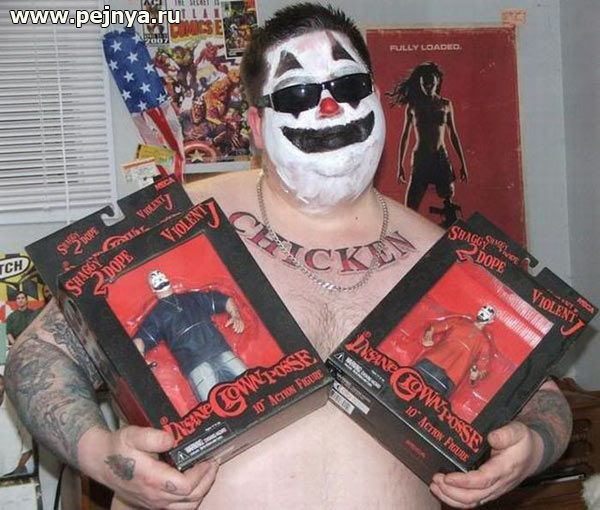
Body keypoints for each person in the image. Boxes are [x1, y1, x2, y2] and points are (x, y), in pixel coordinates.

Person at [5, 4, 572, 510]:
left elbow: (541, 398)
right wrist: (104, 456)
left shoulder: (443, 254)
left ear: (376, 98)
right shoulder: (176, 225)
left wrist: (531, 448)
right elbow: (39, 357)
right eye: (298, 94)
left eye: (348, 85)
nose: (329, 107)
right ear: (255, 124)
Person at [134, 270, 246, 402]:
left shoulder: (193, 298)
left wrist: (235, 315)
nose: (159, 279)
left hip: (219, 350)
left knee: (251, 381)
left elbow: (224, 300)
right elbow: (140, 339)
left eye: (160, 275)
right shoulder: (157, 315)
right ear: (152, 288)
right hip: (195, 364)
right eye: (154, 278)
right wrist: (139, 358)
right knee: (211, 401)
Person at [387, 62, 468, 225]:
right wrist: (400, 165)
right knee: (410, 206)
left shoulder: (445, 104)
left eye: (431, 83)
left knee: (448, 198)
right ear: (420, 84)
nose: (428, 86)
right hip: (421, 158)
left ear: (437, 81)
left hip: (441, 157)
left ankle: (447, 228)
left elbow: (453, 134)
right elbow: (405, 136)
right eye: (425, 84)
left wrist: (462, 164)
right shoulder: (413, 106)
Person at [417, 304, 495, 398]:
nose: (483, 314)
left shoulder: (484, 343)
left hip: (451, 377)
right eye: (483, 310)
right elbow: (434, 327)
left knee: (427, 402)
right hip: (431, 362)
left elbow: (483, 368)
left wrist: (476, 375)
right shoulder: (460, 322)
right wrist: (428, 337)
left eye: (487, 314)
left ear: (491, 321)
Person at [0, 374, 34, 477]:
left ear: (5, 386)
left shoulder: (15, 409)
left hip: (14, 471)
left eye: (0, 384)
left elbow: (28, 441)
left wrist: (19, 467)